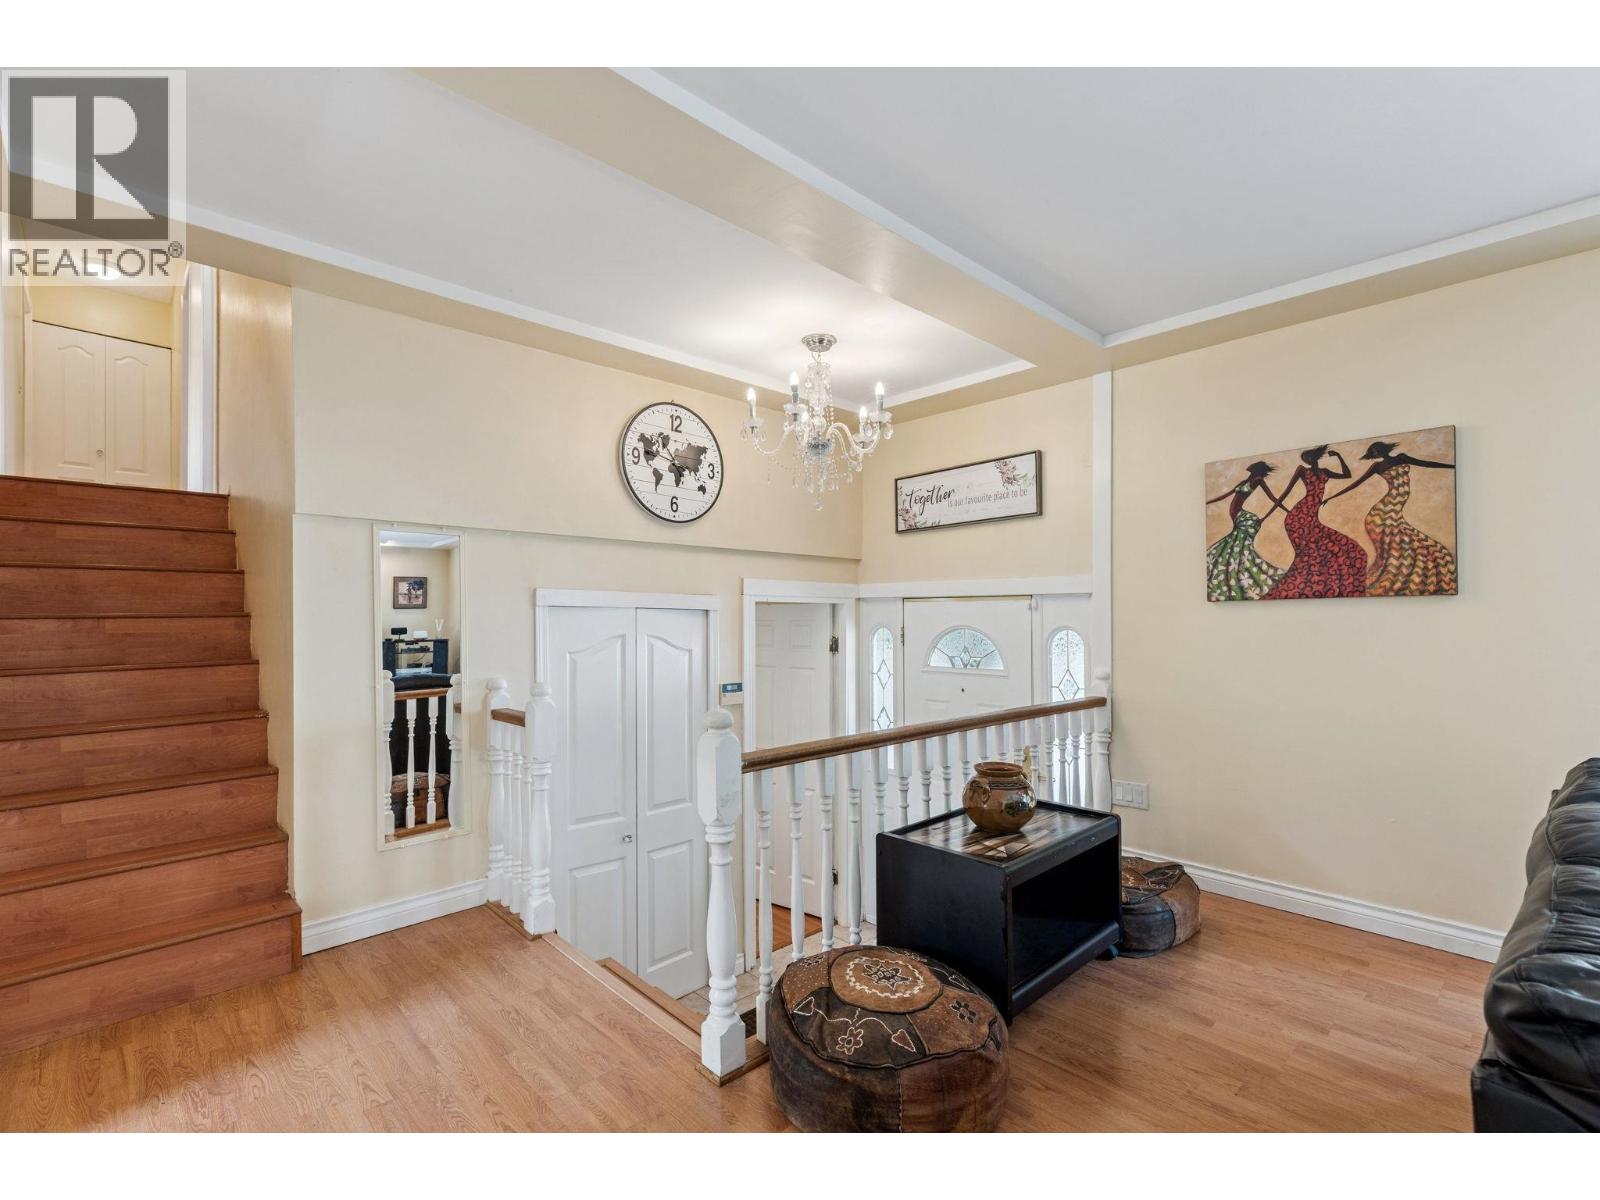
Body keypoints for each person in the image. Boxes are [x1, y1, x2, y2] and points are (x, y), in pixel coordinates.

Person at [1322, 440, 1457, 596]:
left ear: (1383, 449)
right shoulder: (1377, 466)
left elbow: (1426, 463)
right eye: (1375, 452)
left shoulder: (1402, 457)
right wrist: (1331, 497)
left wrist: (1453, 466)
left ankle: (1410, 574)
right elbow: (1356, 483)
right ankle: (1399, 576)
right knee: (1395, 544)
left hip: (1394, 508)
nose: (1377, 453)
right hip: (1384, 510)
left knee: (1405, 541)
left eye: (1378, 450)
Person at [1261, 445, 1367, 600]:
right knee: (1309, 554)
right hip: (1298, 517)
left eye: (1308, 458)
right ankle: (1309, 586)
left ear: (1314, 458)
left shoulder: (1325, 472)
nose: (1307, 461)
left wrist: (1339, 456)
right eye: (1305, 459)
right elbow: (1286, 492)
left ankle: (1319, 585)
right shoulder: (1302, 470)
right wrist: (1275, 511)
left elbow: (1347, 475)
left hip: (1312, 519)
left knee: (1339, 549)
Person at [1204, 460, 1286, 601]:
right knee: (1234, 550)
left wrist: (1270, 515)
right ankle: (1235, 579)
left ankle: (1241, 581)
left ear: (1257, 469)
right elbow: (1226, 495)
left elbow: (1273, 498)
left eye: (1253, 465)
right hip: (1239, 519)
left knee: (1238, 551)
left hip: (1247, 521)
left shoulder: (1258, 480)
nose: (1249, 465)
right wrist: (1207, 502)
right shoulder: (1244, 482)